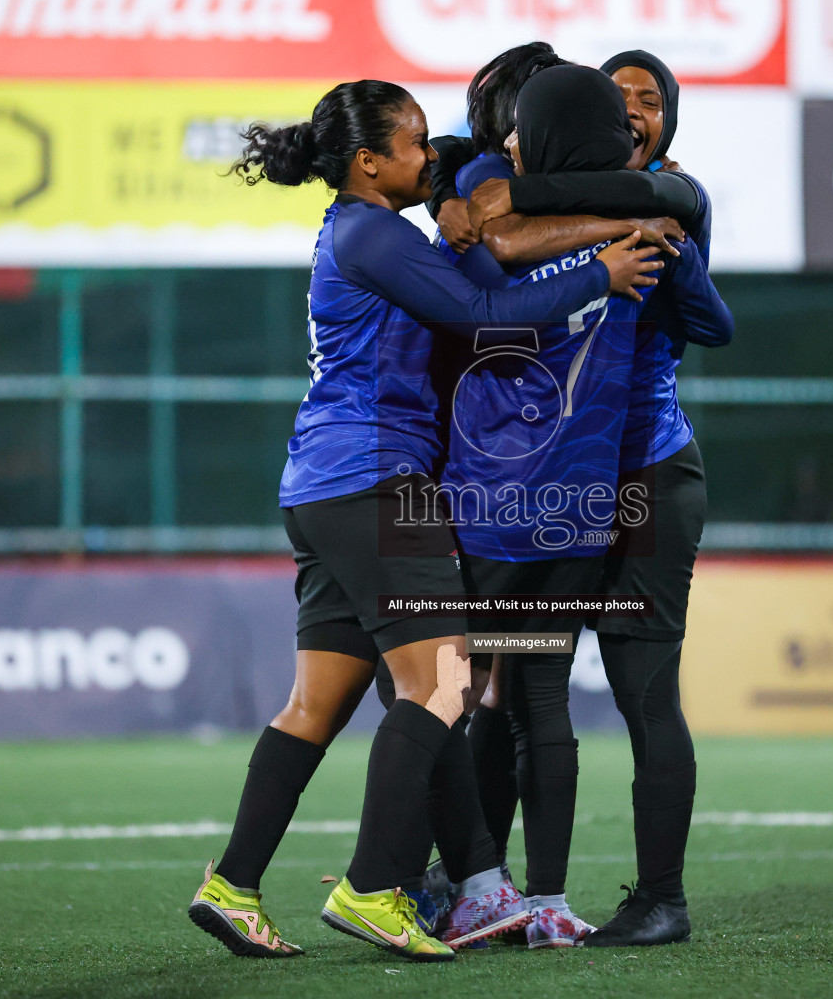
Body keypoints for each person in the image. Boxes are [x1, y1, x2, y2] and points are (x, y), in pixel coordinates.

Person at [185, 78, 663, 964]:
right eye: (412, 145)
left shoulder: (366, 229)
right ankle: (374, 888)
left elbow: (473, 249)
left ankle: (233, 884)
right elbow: (485, 312)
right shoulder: (372, 234)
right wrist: (603, 272)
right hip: (373, 482)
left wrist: (469, 207)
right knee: (444, 688)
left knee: (314, 705)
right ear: (369, 162)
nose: (429, 155)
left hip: (326, 485)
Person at [432, 49, 733, 948]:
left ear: (668, 121)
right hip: (560, 480)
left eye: (653, 101)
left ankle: (661, 899)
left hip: (645, 475)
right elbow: (468, 176)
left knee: (643, 692)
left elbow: (714, 322)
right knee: (516, 686)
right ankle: (482, 885)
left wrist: (665, 250)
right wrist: (473, 190)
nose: (638, 113)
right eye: (621, 99)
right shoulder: (520, 181)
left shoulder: (678, 202)